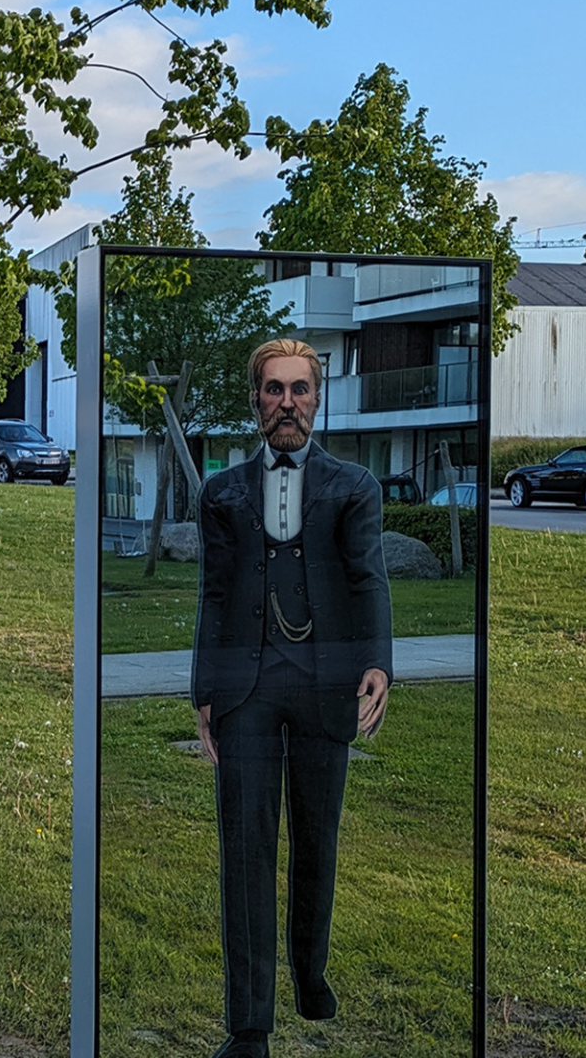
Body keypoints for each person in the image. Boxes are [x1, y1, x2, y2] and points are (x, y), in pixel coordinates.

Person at [191, 338, 393, 1058]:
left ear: (318, 399)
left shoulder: (355, 488)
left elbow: (370, 580)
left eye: (299, 390)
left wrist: (376, 664)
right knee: (244, 851)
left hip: (325, 682)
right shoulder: (222, 492)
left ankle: (310, 973)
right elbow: (213, 595)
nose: (287, 404)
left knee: (317, 838)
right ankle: (249, 1026)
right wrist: (204, 688)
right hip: (245, 686)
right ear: (254, 401)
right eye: (273, 390)